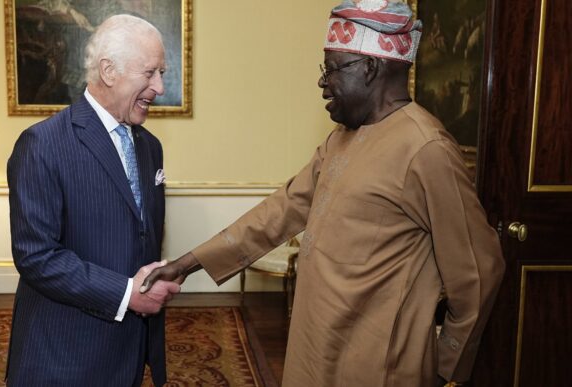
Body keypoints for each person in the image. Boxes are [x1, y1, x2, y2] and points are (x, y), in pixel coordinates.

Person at [141, 1, 505, 386]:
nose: (322, 81)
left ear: (369, 68)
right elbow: (279, 212)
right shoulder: (341, 139)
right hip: (317, 344)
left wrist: (445, 363)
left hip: (377, 362)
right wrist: (187, 262)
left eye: (332, 68)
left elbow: (479, 271)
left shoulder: (426, 149)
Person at [6, 14, 179, 386]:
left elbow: (142, 234)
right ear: (109, 71)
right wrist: (126, 294)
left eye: (161, 73)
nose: (160, 87)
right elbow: (36, 256)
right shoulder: (42, 144)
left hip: (129, 350)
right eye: (150, 73)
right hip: (65, 356)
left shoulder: (151, 147)